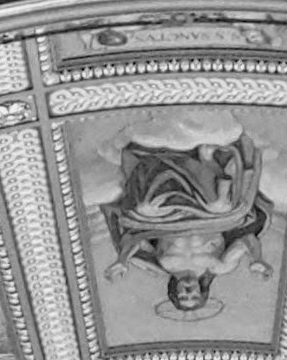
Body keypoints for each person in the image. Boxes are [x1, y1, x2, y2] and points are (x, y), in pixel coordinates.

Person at [93, 117, 273, 319]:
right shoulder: (219, 266)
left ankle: (157, 163)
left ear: (175, 291)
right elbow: (247, 240)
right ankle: (207, 161)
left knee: (145, 207)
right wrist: (257, 259)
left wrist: (122, 260)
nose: (188, 292)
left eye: (183, 296)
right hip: (211, 220)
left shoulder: (162, 265)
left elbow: (135, 240)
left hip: (168, 219)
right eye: (194, 296)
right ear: (201, 291)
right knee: (218, 205)